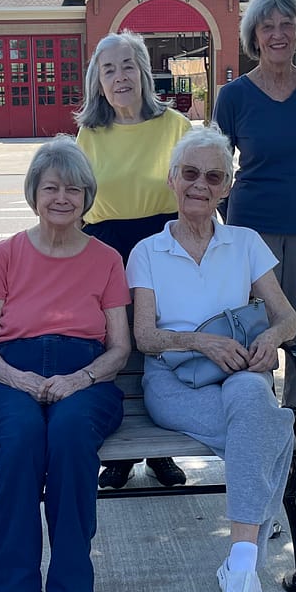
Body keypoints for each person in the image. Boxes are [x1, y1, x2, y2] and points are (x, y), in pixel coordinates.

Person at [127, 126, 296, 592]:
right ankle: (245, 564)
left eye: (214, 176)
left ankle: (241, 568)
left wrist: (272, 340)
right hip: (172, 381)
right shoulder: (148, 251)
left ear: (227, 187)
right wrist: (201, 342)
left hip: (239, 375)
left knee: (252, 400)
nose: (200, 184)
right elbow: (144, 336)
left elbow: (288, 317)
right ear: (172, 179)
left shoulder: (245, 242)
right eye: (190, 173)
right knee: (269, 428)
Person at [0, 137, 130, 592]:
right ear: (34, 193)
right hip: (10, 373)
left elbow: (120, 347)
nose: (61, 197)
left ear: (87, 197)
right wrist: (20, 380)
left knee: (68, 439)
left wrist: (78, 381)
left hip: (86, 376)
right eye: (51, 186)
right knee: (20, 442)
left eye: (73, 188)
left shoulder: (106, 260)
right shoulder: (6, 254)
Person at [213, 0, 296, 480]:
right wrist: (231, 232)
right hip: (252, 231)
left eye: (287, 24)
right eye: (268, 26)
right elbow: (219, 167)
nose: (278, 33)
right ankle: (260, 432)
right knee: (258, 336)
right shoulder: (234, 96)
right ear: (254, 35)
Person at [75, 30, 191, 492]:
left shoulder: (175, 127)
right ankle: (121, 452)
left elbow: (196, 191)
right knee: (117, 346)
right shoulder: (90, 133)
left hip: (163, 243)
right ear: (98, 82)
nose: (120, 77)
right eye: (109, 70)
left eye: (127, 66)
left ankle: (160, 450)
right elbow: (78, 201)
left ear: (143, 72)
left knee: (159, 345)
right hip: (106, 248)